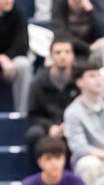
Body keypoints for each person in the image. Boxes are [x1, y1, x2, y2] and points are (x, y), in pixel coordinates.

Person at [25, 36, 79, 166]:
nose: (63, 56)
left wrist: (68, 125)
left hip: (74, 126)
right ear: (50, 56)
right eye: (58, 52)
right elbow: (33, 114)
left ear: (73, 55)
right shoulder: (38, 82)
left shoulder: (80, 80)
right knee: (33, 134)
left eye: (67, 52)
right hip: (47, 128)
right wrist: (50, 127)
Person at [0, 0, 33, 113]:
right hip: (0, 61)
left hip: (10, 64)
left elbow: (22, 45)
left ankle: (22, 115)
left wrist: (6, 58)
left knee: (23, 64)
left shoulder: (18, 10)